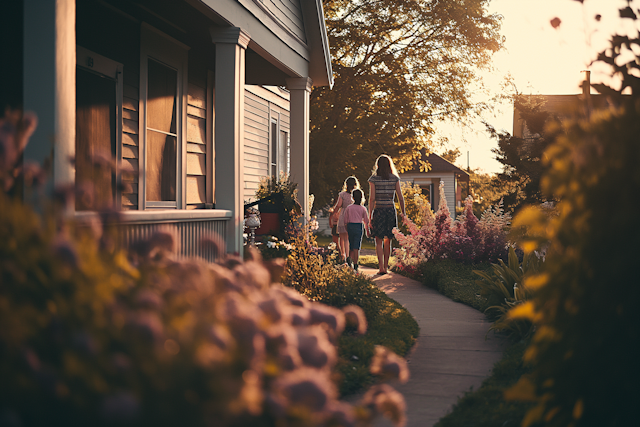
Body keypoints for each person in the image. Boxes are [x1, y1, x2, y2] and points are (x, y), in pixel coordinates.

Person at [368, 155, 405, 275]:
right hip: (390, 210)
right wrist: (403, 213)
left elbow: (372, 199)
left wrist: (369, 215)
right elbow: (400, 196)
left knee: (378, 240)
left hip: (378, 210)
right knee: (388, 239)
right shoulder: (394, 178)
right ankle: (386, 266)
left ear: (377, 165)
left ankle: (381, 268)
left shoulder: (373, 179)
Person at [331, 176, 360, 263]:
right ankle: (348, 256)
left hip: (343, 216)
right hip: (352, 217)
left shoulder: (342, 195)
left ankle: (343, 255)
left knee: (342, 237)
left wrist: (334, 213)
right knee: (347, 238)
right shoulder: (355, 195)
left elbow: (338, 205)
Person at [343, 189, 370, 272]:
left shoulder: (349, 208)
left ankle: (350, 258)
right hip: (359, 226)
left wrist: (346, 227)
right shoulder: (363, 208)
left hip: (350, 225)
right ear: (361, 197)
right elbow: (366, 221)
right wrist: (367, 230)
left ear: (353, 197)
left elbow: (345, 220)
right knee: (356, 246)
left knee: (351, 244)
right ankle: (355, 264)